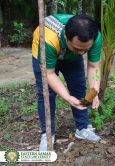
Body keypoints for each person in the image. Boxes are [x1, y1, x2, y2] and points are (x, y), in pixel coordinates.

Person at [32, 14, 102, 151]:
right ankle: (47, 134)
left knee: (79, 88)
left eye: (85, 50)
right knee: (46, 94)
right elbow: (50, 74)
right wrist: (67, 97)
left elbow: (94, 67)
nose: (82, 53)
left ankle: (82, 128)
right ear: (66, 36)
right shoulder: (47, 39)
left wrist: (95, 91)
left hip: (70, 57)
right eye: (78, 48)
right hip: (47, 53)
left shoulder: (94, 37)